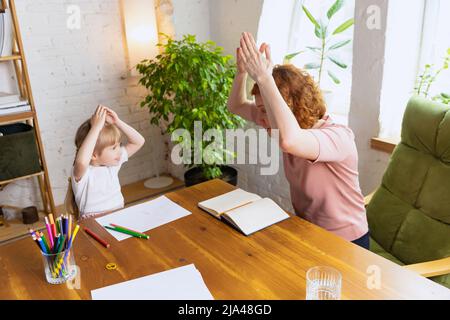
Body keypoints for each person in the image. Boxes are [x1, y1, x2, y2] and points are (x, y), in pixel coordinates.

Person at [227, 32, 369, 249]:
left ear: (292, 105)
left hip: (347, 242)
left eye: (266, 110)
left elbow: (289, 141)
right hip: (308, 231)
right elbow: (235, 106)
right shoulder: (277, 123)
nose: (261, 118)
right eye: (260, 110)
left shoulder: (338, 137)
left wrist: (265, 78)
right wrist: (242, 73)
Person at [65, 105, 145, 220]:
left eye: (119, 145)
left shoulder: (113, 164)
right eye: (113, 148)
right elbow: (82, 161)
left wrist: (117, 122)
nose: (119, 151)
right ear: (93, 155)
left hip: (119, 215)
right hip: (94, 224)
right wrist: (95, 128)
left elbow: (139, 141)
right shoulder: (83, 172)